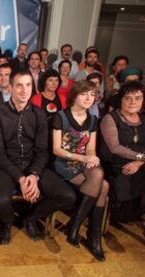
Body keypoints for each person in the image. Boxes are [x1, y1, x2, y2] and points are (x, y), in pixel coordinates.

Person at [0, 70, 76, 244]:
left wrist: (34, 175)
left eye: (28, 85)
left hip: (33, 164)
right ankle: (7, 223)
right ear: (11, 88)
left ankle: (30, 218)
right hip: (6, 166)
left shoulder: (39, 114)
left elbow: (42, 151)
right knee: (0, 200)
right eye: (19, 85)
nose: (24, 90)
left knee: (68, 196)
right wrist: (21, 178)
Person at [52, 80, 109, 261]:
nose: (88, 98)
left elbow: (91, 148)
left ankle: (84, 231)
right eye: (84, 94)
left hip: (84, 162)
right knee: (102, 183)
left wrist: (91, 157)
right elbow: (57, 150)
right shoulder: (60, 116)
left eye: (92, 95)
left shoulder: (92, 120)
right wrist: (83, 158)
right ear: (75, 95)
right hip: (65, 162)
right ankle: (91, 235)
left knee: (103, 183)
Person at [100, 81, 145, 225]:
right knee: (130, 175)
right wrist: (141, 157)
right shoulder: (110, 118)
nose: (133, 102)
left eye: (137, 98)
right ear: (121, 100)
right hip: (116, 162)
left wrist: (140, 161)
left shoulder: (144, 119)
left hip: (140, 162)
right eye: (128, 98)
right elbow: (115, 148)